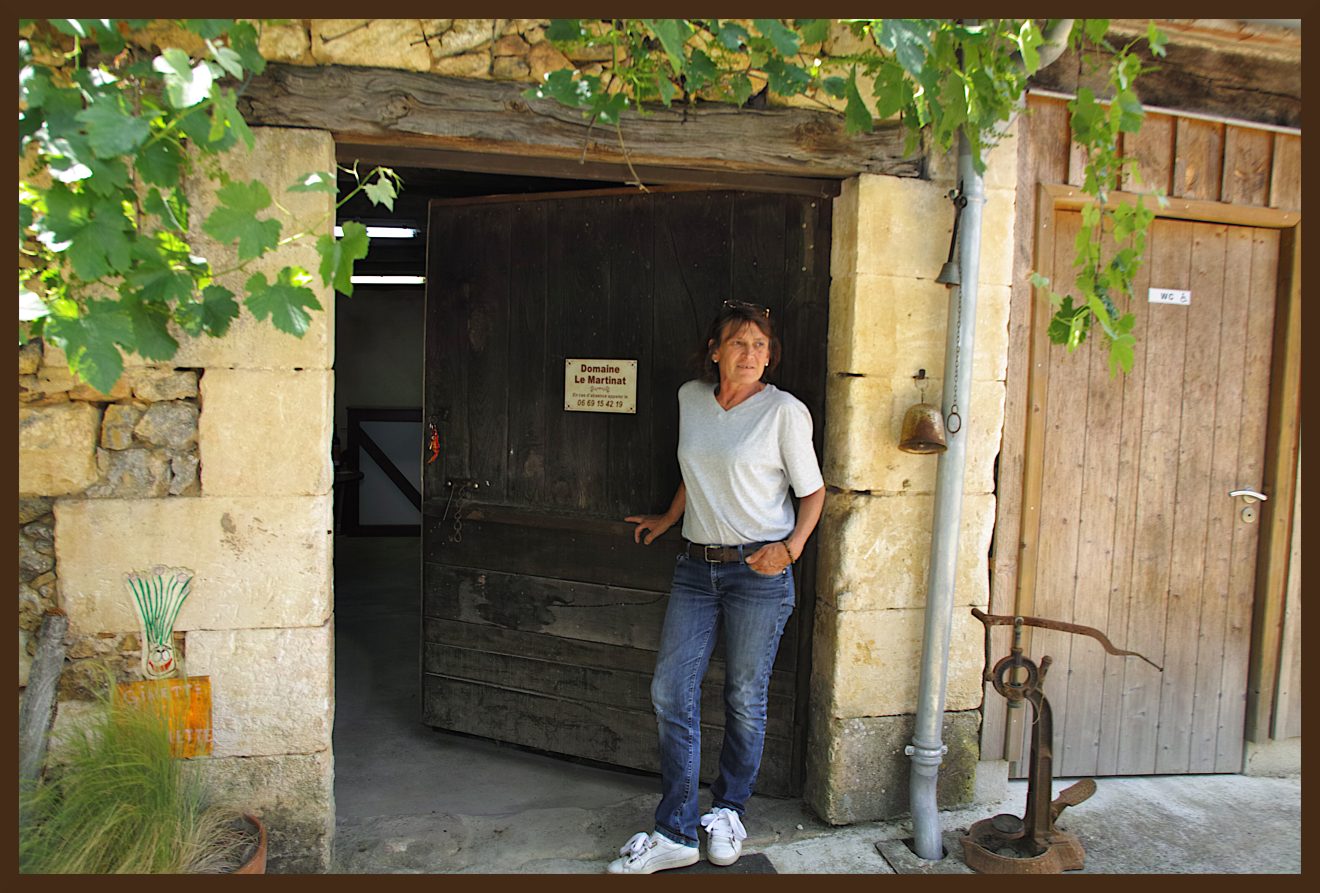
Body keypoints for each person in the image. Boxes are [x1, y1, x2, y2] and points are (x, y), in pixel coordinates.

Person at [609, 300, 826, 873]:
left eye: (760, 345)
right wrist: (667, 517)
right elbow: (694, 469)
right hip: (695, 567)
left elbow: (813, 492)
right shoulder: (690, 398)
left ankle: (728, 809)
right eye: (739, 343)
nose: (751, 354)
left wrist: (792, 548)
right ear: (715, 350)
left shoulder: (784, 412)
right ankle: (676, 829)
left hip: (759, 571)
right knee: (669, 690)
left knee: (744, 698)